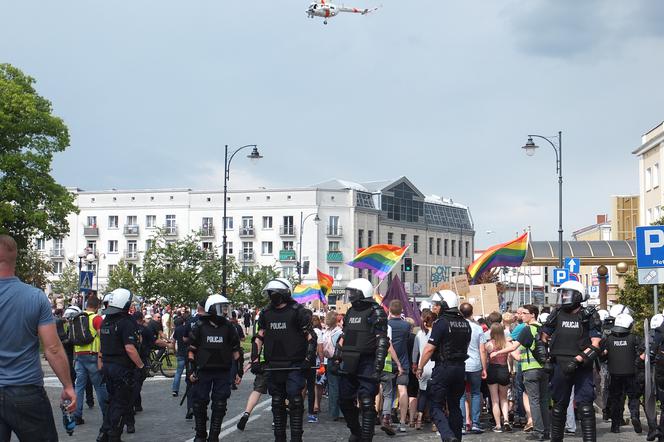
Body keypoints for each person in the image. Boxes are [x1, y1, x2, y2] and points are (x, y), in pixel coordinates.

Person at [0, 234, 76, 440]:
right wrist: (68, 386)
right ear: (14, 260)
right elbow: (52, 348)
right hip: (26, 391)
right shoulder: (34, 297)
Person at [253, 278, 317, 442]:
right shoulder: (266, 313)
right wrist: (255, 360)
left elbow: (311, 337)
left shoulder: (298, 311)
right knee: (277, 402)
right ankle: (279, 438)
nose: (272, 296)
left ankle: (296, 438)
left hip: (294, 364)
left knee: (295, 401)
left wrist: (308, 359)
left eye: (275, 293)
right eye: (270, 293)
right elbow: (259, 337)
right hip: (273, 364)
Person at [327, 278, 388, 442]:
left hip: (368, 361)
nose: (351, 295)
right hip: (349, 360)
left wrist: (378, 367)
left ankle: (367, 438)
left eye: (354, 292)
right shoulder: (350, 311)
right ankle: (356, 430)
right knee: (344, 400)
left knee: (367, 401)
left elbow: (382, 340)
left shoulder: (377, 311)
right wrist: (337, 358)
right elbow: (345, 336)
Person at [542, 280, 602, 442]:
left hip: (581, 366)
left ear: (578, 296)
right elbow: (543, 337)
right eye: (562, 294)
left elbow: (596, 344)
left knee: (585, 406)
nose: (563, 297)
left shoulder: (588, 315)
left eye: (566, 294)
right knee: (559, 405)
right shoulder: (556, 313)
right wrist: (544, 359)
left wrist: (577, 360)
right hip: (559, 365)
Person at [416, 289, 471, 442]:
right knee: (454, 406)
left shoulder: (441, 323)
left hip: (444, 368)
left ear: (444, 305)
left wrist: (420, 367)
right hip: (460, 369)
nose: (434, 308)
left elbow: (429, 349)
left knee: (435, 406)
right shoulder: (465, 323)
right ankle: (456, 438)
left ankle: (447, 436)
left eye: (437, 305)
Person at [188, 294, 243, 442]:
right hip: (203, 371)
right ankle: (200, 435)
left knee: (220, 404)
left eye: (225, 307)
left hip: (222, 371)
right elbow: (191, 350)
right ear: (212, 308)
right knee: (199, 403)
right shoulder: (199, 326)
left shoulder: (229, 327)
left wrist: (239, 371)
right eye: (221, 307)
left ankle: (214, 436)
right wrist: (191, 370)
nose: (224, 311)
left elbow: (236, 350)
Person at [97, 288, 147, 442]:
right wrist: (141, 366)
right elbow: (130, 348)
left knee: (112, 401)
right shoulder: (126, 322)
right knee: (121, 404)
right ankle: (113, 435)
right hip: (122, 368)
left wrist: (101, 364)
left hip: (108, 366)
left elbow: (101, 347)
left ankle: (104, 433)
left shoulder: (106, 320)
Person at [601, 313, 641, 434]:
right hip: (631, 373)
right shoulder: (634, 338)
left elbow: (603, 356)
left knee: (615, 400)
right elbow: (640, 354)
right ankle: (634, 416)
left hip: (614, 374)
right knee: (633, 397)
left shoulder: (609, 339)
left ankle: (615, 426)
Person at [458, 302, 488, 434]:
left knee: (461, 395)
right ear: (471, 312)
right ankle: (475, 423)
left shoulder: (457, 326)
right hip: (475, 364)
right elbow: (482, 350)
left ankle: (464, 423)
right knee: (476, 393)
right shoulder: (478, 328)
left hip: (461, 363)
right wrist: (484, 367)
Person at [387, 300, 412, 433]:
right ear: (401, 310)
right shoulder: (407, 326)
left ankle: (386, 418)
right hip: (403, 362)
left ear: (390, 310)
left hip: (388, 362)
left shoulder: (386, 325)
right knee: (403, 391)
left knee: (386, 391)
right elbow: (407, 340)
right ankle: (402, 421)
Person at [484, 322, 511, 432]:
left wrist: (484, 369)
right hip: (503, 370)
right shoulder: (506, 343)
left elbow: (486, 359)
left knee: (494, 400)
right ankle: (506, 420)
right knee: (504, 398)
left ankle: (498, 425)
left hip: (492, 370)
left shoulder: (489, 344)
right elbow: (510, 358)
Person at [412, 310, 435, 431]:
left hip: (423, 366)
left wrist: (415, 365)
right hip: (435, 366)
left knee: (423, 394)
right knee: (436, 395)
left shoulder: (419, 334)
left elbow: (415, 352)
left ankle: (419, 419)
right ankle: (435, 422)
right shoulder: (436, 333)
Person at [322, 311, 343, 421]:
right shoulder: (339, 332)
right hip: (339, 361)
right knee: (340, 387)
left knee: (332, 387)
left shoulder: (326, 332)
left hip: (329, 360)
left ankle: (333, 411)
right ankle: (339, 412)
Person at [172, 316, 188, 396]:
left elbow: (173, 342)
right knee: (189, 371)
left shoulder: (177, 330)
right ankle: (189, 387)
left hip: (180, 353)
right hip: (188, 352)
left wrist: (174, 351)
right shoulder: (186, 328)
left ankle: (175, 390)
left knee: (178, 372)